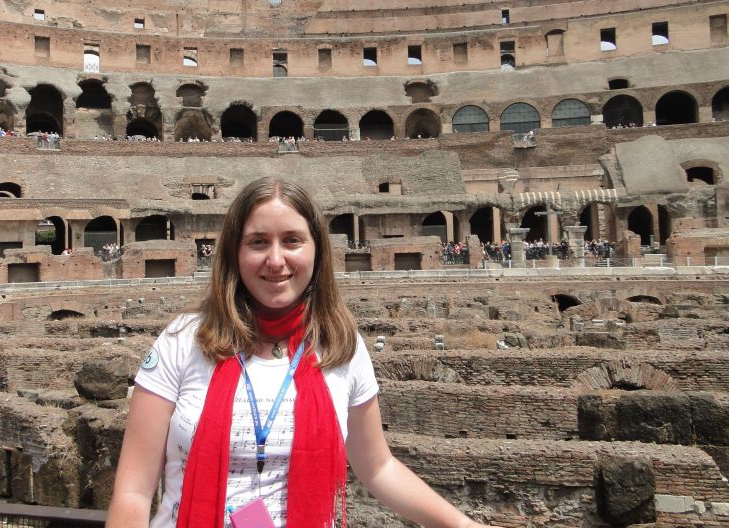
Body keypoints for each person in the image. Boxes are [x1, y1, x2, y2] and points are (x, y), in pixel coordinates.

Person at [106, 177, 500, 528]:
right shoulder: (182, 341)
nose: (275, 260)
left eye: (292, 240)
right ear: (234, 251)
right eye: (258, 242)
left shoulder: (341, 346)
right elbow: (134, 493)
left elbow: (378, 467)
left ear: (316, 251)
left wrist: (461, 524)